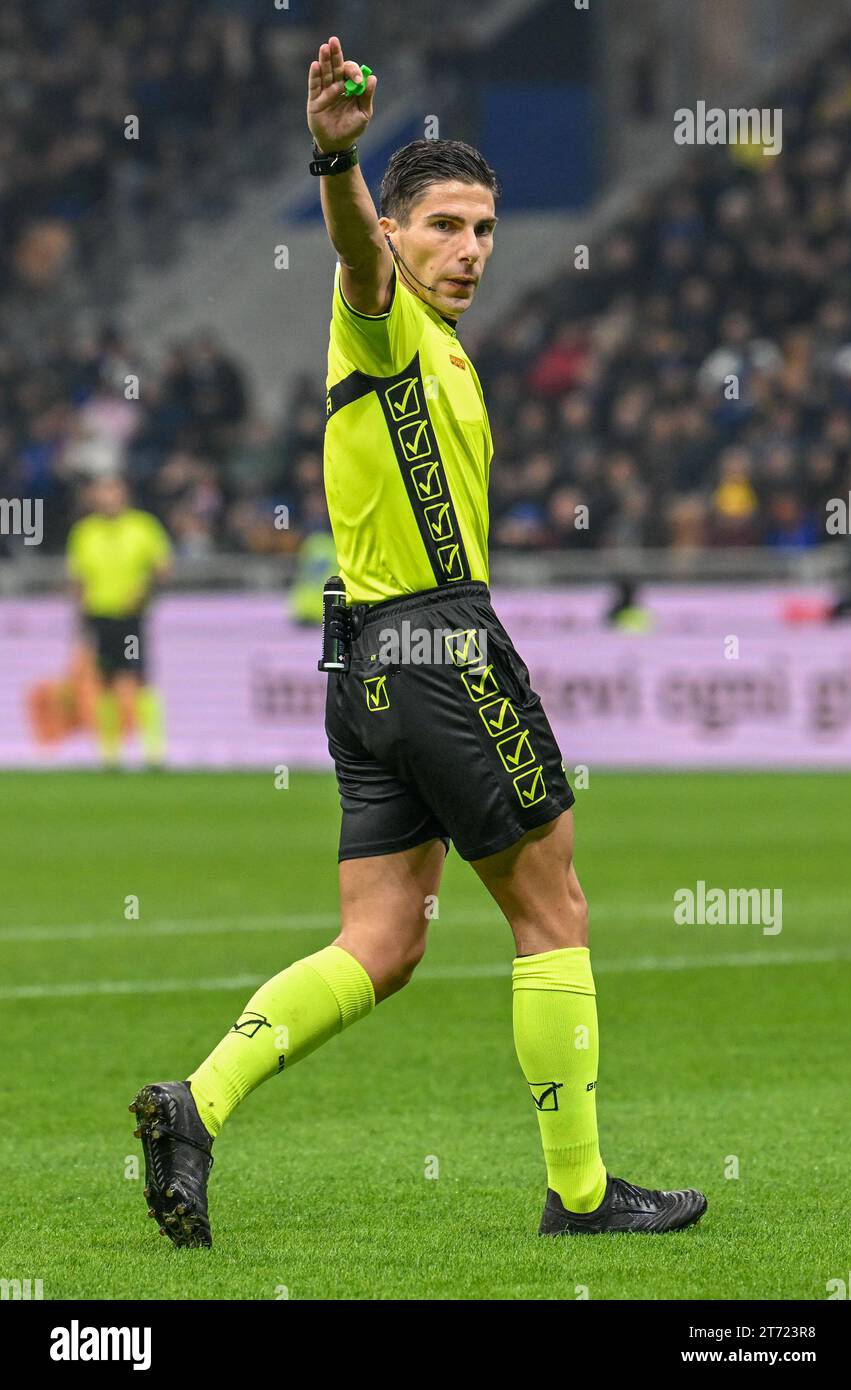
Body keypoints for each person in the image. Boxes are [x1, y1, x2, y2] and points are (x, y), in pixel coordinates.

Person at [129, 35, 706, 1247]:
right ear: (395, 234)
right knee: (553, 910)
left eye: (486, 229)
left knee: (382, 943)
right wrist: (335, 162)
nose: (470, 250)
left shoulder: (439, 349)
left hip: (365, 665)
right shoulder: (379, 309)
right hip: (440, 645)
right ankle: (584, 1195)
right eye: (444, 225)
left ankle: (198, 1101)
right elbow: (350, 253)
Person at [66, 476, 171, 768]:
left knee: (139, 679)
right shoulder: (85, 532)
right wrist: (79, 616)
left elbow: (162, 568)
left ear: (125, 495)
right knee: (105, 681)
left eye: (113, 492)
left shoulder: (143, 526)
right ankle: (110, 753)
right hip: (100, 616)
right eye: (103, 493)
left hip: (131, 617)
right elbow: (78, 579)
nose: (108, 498)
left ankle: (154, 751)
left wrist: (144, 590)